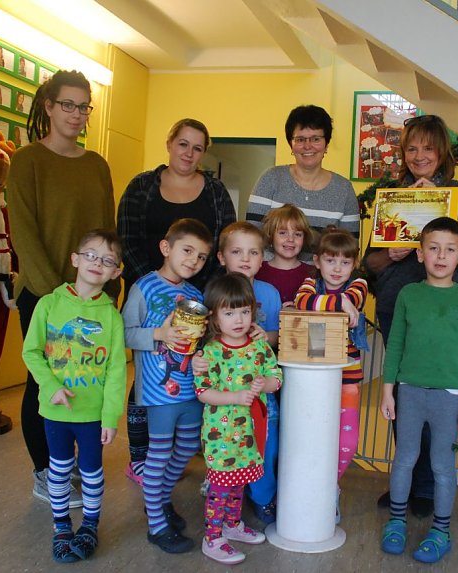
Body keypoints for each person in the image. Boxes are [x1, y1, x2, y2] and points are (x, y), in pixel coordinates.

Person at [363, 114, 458, 518]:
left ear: (442, 153)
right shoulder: (391, 193)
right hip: (399, 303)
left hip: (448, 310)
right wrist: (391, 253)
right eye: (412, 148)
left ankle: (430, 485)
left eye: (428, 148)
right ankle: (408, 480)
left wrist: (438, 201)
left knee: (441, 396)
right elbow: (371, 262)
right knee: (402, 393)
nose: (419, 156)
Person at [9, 69, 119, 508]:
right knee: (44, 384)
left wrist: (107, 285)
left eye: (83, 106)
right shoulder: (27, 161)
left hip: (93, 297)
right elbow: (24, 231)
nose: (76, 114)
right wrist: (58, 295)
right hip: (45, 295)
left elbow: (107, 232)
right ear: (49, 106)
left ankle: (71, 463)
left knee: (85, 380)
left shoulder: (96, 165)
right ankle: (45, 468)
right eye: (68, 105)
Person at [118, 118, 235, 487]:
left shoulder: (214, 191)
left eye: (198, 147)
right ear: (169, 143)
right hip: (151, 289)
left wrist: (199, 289)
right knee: (146, 380)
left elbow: (221, 242)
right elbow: (128, 236)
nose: (189, 153)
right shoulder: (141, 186)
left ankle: (179, 452)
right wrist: (154, 285)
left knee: (187, 370)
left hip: (198, 298)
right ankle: (143, 458)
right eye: (183, 144)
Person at [379, 217, 458, 564]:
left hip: (448, 397)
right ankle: (396, 521)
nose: (441, 256)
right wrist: (387, 391)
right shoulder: (409, 294)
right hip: (409, 391)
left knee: (441, 465)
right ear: (420, 254)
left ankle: (441, 530)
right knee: (404, 459)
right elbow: (394, 345)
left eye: (450, 250)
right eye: (433, 248)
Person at [21, 229, 127, 563]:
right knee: (59, 469)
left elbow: (115, 372)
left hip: (92, 415)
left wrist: (111, 417)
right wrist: (50, 387)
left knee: (92, 472)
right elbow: (32, 352)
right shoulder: (48, 304)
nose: (98, 263)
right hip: (55, 413)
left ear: (116, 271)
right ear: (75, 260)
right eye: (91, 255)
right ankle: (62, 526)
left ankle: (90, 525)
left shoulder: (111, 316)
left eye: (107, 260)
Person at [122, 218, 214, 554]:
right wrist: (158, 334)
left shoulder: (194, 294)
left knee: (188, 448)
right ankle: (157, 526)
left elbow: (201, 340)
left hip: (192, 387)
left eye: (202, 256)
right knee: (159, 454)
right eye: (187, 250)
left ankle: (158, 501)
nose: (194, 260)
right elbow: (125, 331)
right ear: (166, 248)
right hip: (159, 392)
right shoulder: (144, 287)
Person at [196, 273, 282, 564]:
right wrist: (235, 397)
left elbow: (276, 376)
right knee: (220, 487)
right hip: (220, 436)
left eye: (245, 311)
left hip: (251, 431)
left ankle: (232, 526)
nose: (239, 319)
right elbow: (203, 391)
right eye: (229, 313)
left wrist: (265, 385)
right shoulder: (211, 351)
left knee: (239, 482)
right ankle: (212, 538)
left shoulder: (259, 346)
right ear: (215, 317)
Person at [293, 227, 369, 522]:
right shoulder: (309, 283)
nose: (338, 269)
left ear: (354, 264)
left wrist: (342, 303)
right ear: (317, 261)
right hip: (313, 377)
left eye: (345, 262)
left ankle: (328, 487)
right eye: (330, 261)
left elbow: (350, 301)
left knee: (347, 442)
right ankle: (308, 488)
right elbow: (302, 303)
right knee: (310, 435)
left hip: (347, 376)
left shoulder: (359, 284)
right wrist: (340, 304)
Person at [215, 222, 281, 523]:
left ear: (262, 258)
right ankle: (225, 494)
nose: (245, 258)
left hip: (261, 390)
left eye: (253, 252)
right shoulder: (214, 292)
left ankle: (263, 497)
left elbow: (277, 336)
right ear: (221, 257)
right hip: (225, 394)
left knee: (265, 445)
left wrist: (261, 336)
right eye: (237, 251)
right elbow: (207, 338)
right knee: (227, 443)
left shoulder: (269, 292)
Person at [246, 105, 361, 258]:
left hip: (323, 280)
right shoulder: (270, 179)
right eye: (300, 139)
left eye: (316, 139)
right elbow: (251, 238)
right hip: (270, 276)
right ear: (291, 145)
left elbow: (349, 248)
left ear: (326, 144)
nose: (308, 146)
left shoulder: (344, 189)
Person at [255, 204, 315, 305]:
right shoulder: (257, 271)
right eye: (283, 233)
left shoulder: (313, 273)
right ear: (271, 237)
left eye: (297, 234)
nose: (291, 239)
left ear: (304, 239)